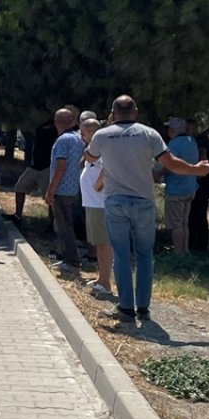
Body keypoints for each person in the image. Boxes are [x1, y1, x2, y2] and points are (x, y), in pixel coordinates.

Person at [85, 96, 209, 323]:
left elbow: (89, 156)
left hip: (115, 202)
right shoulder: (148, 133)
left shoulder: (102, 135)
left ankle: (125, 308)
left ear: (113, 112)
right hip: (143, 201)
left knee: (121, 255)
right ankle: (143, 307)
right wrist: (195, 169)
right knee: (144, 255)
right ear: (135, 111)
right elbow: (169, 162)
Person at [43, 108, 85, 273]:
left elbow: (60, 166)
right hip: (74, 189)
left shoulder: (62, 140)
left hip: (62, 190)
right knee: (68, 225)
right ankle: (69, 259)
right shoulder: (78, 139)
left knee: (64, 227)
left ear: (56, 122)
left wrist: (50, 190)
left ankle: (72, 262)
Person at [156, 117, 200, 255]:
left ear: (172, 130)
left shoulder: (173, 144)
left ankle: (178, 253)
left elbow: (169, 165)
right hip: (190, 187)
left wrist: (156, 174)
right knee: (184, 222)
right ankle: (185, 250)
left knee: (175, 224)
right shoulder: (191, 141)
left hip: (176, 188)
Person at [79, 118, 112, 296]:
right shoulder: (94, 149)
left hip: (98, 202)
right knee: (99, 242)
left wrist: (98, 184)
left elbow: (107, 168)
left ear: (92, 133)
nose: (81, 135)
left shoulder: (102, 148)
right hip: (92, 203)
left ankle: (105, 281)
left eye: (83, 132)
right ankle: (101, 277)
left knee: (103, 243)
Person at [12, 114, 60, 224]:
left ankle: (52, 223)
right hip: (34, 166)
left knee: (50, 196)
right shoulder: (39, 127)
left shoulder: (56, 129)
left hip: (47, 167)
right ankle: (17, 216)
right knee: (20, 187)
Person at [188, 120, 209, 252]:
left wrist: (196, 174)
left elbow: (203, 157)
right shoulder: (203, 139)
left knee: (196, 214)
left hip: (201, 183)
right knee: (197, 214)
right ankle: (198, 242)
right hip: (204, 182)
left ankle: (199, 244)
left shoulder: (200, 141)